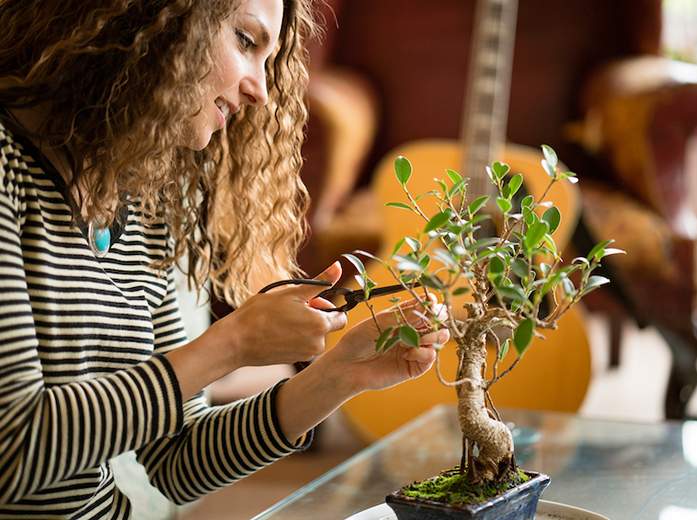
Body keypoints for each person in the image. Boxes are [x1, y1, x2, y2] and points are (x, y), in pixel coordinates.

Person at [0, 0, 449, 517]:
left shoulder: (138, 195)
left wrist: (336, 376)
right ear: (156, 18)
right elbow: (12, 452)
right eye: (245, 40)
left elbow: (177, 461)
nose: (260, 90)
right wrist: (231, 345)